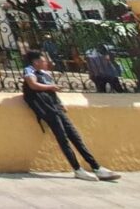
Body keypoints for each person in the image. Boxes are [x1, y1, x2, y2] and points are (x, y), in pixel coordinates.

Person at [22, 50, 120, 181]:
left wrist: (60, 102)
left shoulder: (45, 74)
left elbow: (52, 92)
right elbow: (33, 85)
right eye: (44, 60)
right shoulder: (29, 71)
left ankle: (96, 167)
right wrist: (51, 87)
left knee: (75, 137)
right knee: (63, 138)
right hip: (47, 109)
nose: (47, 63)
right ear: (36, 62)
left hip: (56, 107)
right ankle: (77, 169)